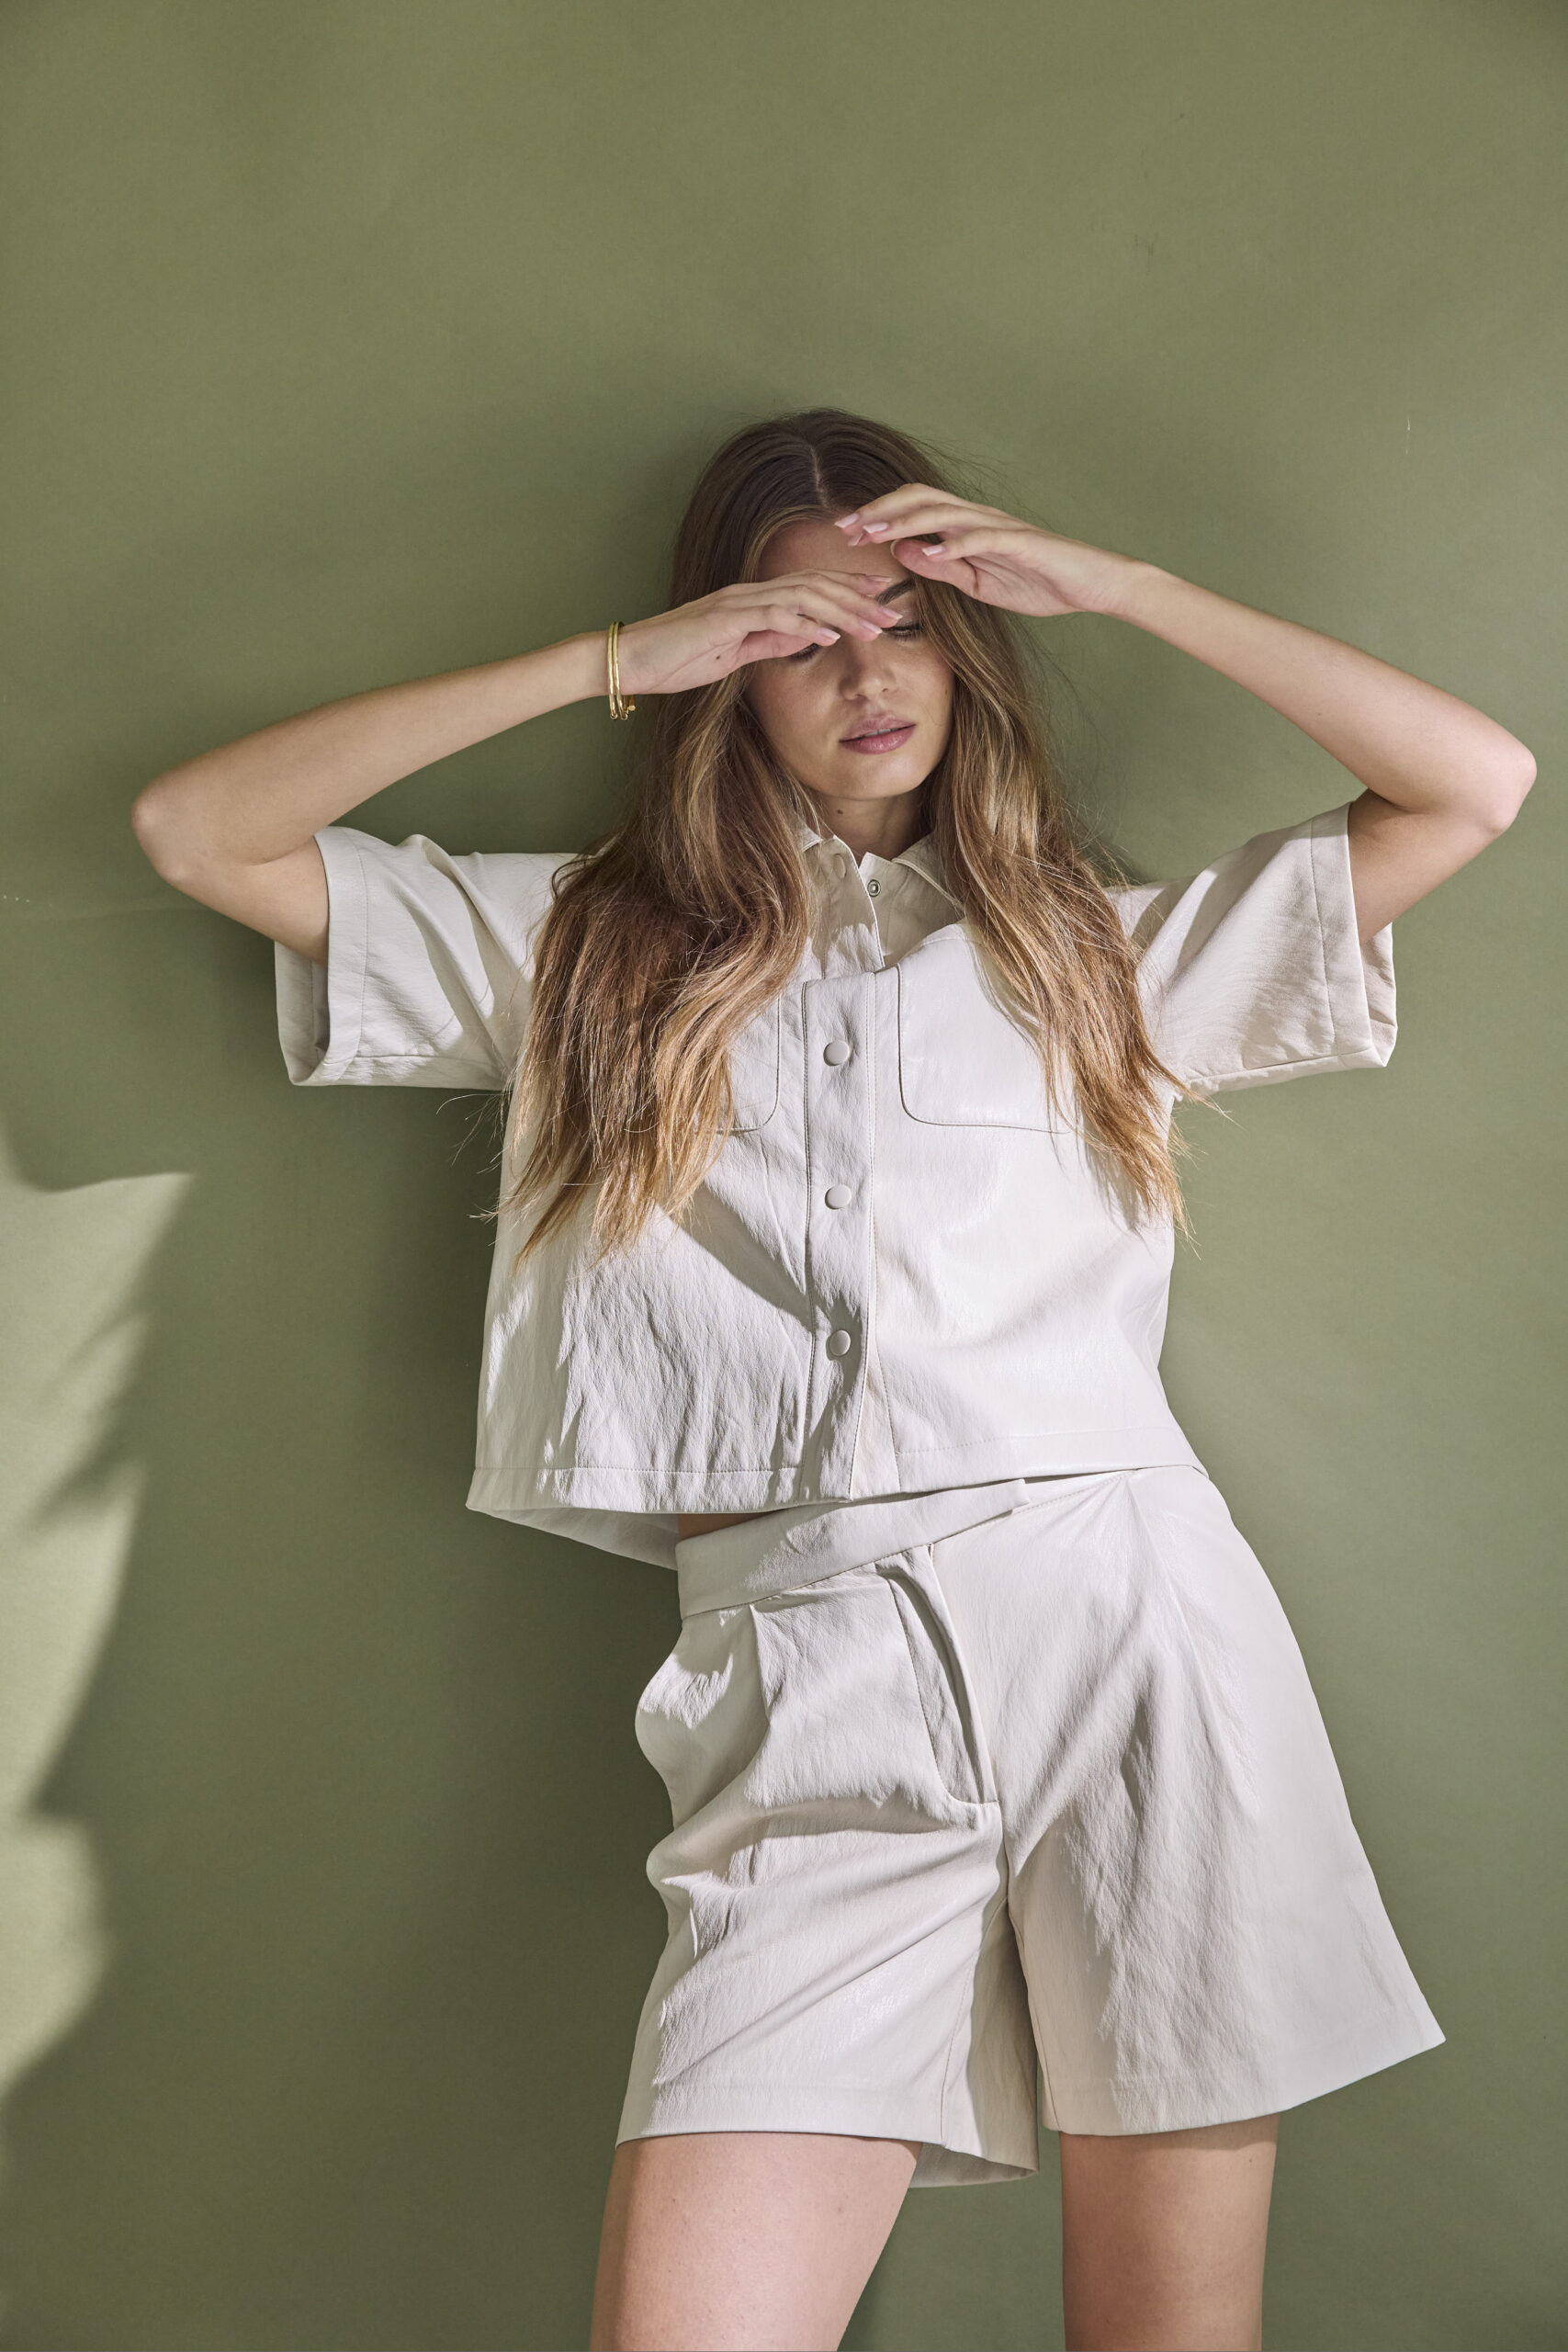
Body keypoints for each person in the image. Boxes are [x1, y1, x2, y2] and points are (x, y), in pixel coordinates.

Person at [130, 409, 1533, 2352]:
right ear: (724, 675)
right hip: (803, 1669)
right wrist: (612, 660)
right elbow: (199, 832)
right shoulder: (582, 952)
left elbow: (1472, 782)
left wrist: (1121, 586)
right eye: (800, 636)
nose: (869, 675)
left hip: (1131, 1625)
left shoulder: (1094, 956)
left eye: (906, 623)